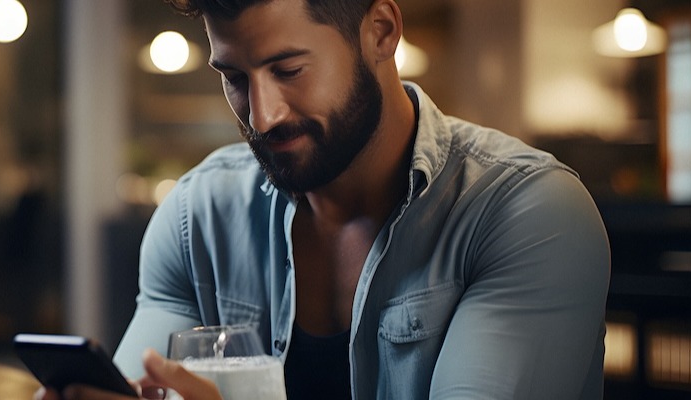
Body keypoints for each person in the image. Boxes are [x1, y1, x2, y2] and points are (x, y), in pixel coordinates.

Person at [39, 0, 610, 398]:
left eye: (288, 69)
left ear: (382, 32)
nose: (262, 116)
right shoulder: (197, 219)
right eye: (234, 77)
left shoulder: (528, 213)